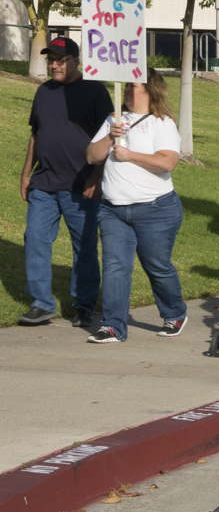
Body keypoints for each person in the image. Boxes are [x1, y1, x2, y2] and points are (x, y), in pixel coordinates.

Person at [85, 69, 187, 343]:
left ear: (150, 89)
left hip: (156, 209)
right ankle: (113, 326)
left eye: (133, 86)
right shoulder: (113, 120)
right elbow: (92, 156)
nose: (128, 91)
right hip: (113, 210)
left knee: (157, 266)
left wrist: (129, 155)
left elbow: (167, 162)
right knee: (115, 267)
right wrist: (110, 137)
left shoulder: (161, 122)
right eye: (126, 87)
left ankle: (174, 313)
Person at [18, 37, 113, 327]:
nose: (54, 64)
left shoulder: (95, 90)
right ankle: (41, 304)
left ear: (76, 61)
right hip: (44, 183)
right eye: (50, 59)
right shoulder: (43, 91)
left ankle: (83, 306)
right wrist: (25, 175)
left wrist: (97, 177)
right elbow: (36, 134)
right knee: (34, 239)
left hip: (81, 185)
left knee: (83, 248)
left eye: (60, 59)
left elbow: (109, 137)